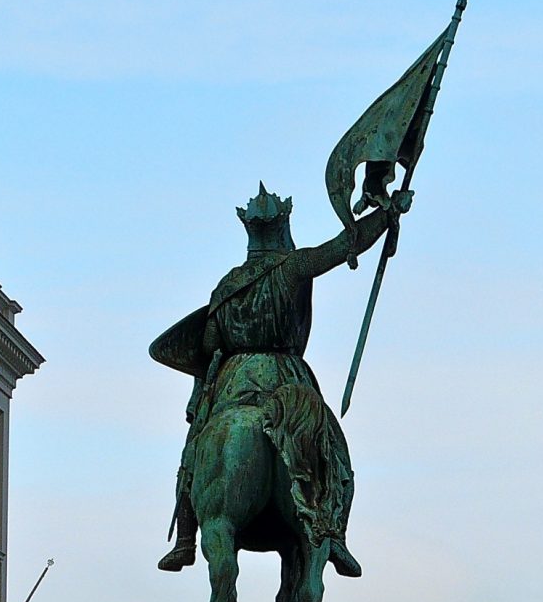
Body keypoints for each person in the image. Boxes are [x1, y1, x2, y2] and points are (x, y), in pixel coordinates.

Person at [152, 179, 411, 576]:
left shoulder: (226, 285)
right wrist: (388, 214)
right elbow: (346, 245)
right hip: (287, 377)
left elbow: (208, 344)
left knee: (193, 454)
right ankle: (336, 534)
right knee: (333, 450)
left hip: (235, 378)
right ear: (283, 226)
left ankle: (186, 540)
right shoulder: (295, 266)